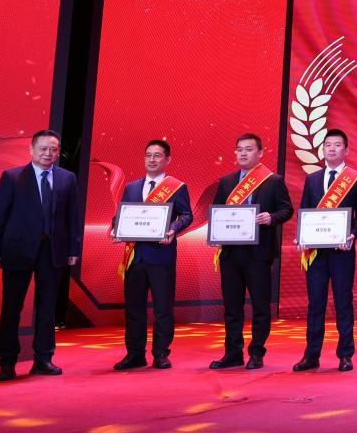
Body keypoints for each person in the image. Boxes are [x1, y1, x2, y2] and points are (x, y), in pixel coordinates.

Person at [0, 130, 81, 381]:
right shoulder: (12, 177)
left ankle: (43, 359)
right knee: (11, 308)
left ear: (58, 152)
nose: (48, 154)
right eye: (43, 149)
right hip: (17, 251)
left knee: (47, 308)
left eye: (53, 149)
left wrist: (74, 248)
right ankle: (7, 362)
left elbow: (73, 216)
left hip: (53, 251)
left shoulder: (67, 178)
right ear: (31, 150)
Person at [210, 133, 293, 370]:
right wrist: (216, 232)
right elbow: (217, 212)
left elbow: (286, 210)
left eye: (248, 149)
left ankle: (256, 353)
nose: (243, 153)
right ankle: (232, 352)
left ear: (260, 153)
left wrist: (271, 218)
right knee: (232, 307)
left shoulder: (273, 181)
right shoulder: (226, 182)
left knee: (260, 306)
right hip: (230, 254)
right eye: (239, 149)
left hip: (258, 253)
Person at [110, 139, 193, 370]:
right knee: (134, 309)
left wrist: (173, 229)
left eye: (157, 155)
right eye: (148, 155)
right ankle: (135, 354)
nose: (152, 159)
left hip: (161, 256)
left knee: (163, 309)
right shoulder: (132, 187)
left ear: (167, 159)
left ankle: (161, 353)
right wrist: (116, 228)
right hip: (135, 257)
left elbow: (187, 215)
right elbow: (121, 215)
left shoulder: (176, 187)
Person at [294, 129, 357, 372]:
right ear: (323, 149)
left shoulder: (356, 179)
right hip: (316, 252)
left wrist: (353, 234)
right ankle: (311, 355)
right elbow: (305, 211)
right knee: (315, 304)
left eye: (337, 145)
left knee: (342, 302)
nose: (332, 149)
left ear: (346, 150)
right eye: (328, 145)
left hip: (342, 251)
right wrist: (302, 236)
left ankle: (345, 354)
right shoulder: (312, 179)